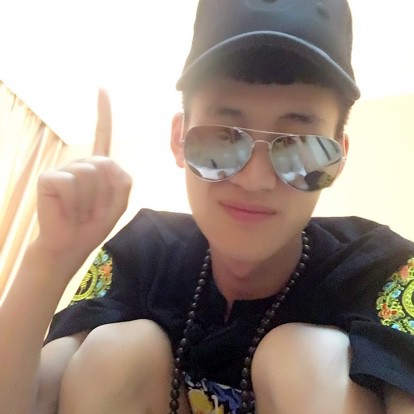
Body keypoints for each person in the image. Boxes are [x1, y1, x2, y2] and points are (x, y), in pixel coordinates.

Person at [1, 0, 414, 413]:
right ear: (179, 140)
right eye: (221, 137)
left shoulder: (378, 269)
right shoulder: (146, 251)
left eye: (301, 147)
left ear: (338, 158)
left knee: (305, 359)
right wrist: (50, 258)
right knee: (119, 351)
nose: (255, 179)